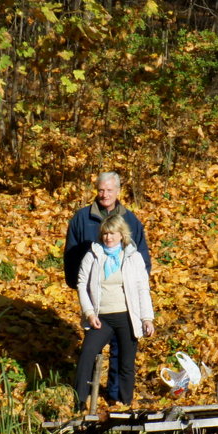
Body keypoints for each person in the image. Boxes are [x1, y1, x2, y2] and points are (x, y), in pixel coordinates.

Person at [65, 172, 152, 401]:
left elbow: (141, 265)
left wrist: (144, 313)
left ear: (118, 191)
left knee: (122, 358)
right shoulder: (82, 218)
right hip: (98, 306)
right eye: (101, 190)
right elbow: (72, 256)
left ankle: (117, 400)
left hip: (125, 308)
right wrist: (86, 304)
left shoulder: (131, 220)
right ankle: (82, 400)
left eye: (109, 190)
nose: (104, 194)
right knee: (89, 354)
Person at [74, 215, 155, 408]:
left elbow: (143, 288)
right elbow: (82, 284)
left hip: (127, 317)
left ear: (122, 234)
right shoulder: (93, 255)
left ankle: (124, 402)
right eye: (105, 233)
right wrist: (90, 313)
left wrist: (147, 318)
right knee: (87, 354)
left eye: (113, 233)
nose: (108, 237)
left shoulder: (133, 257)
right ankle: (79, 401)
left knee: (126, 364)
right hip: (101, 318)